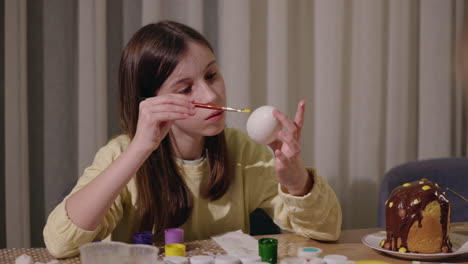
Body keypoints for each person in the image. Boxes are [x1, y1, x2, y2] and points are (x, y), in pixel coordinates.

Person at [43, 20, 342, 258]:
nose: (211, 96)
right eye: (185, 89)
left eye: (211, 75)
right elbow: (59, 243)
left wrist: (296, 180)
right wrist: (138, 151)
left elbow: (328, 231)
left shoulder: (244, 152)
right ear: (150, 101)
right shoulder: (121, 154)